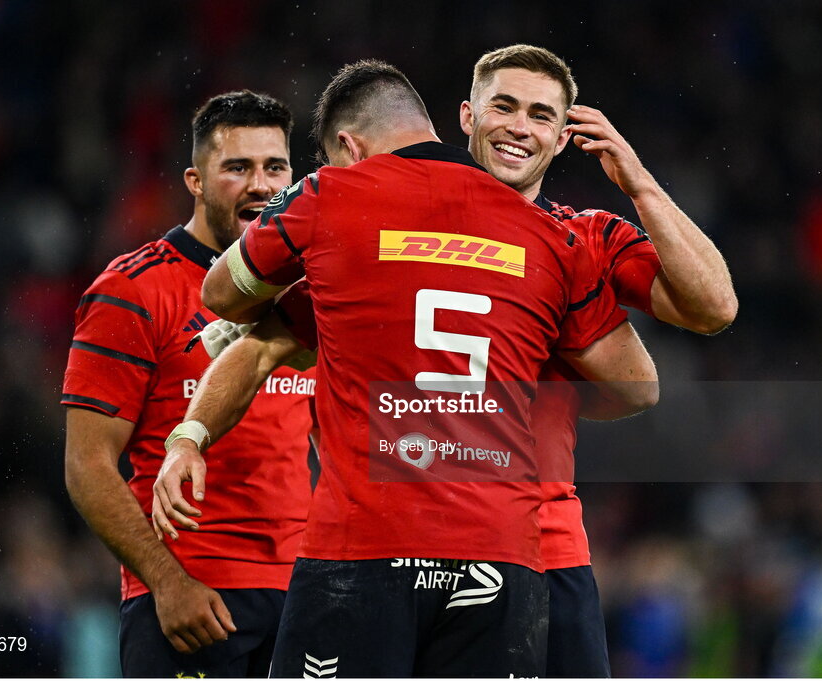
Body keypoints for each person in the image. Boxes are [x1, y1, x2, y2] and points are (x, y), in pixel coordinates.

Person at [177, 60, 657, 677]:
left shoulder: (332, 198)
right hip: (504, 555)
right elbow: (641, 382)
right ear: (453, 121)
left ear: (348, 148)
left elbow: (220, 296)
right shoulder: (551, 234)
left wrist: (191, 432)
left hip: (364, 547)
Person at [459, 44, 738, 677]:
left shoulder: (589, 236)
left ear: (562, 139)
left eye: (540, 115)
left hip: (546, 545)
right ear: (468, 117)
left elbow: (715, 307)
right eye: (503, 107)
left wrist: (636, 179)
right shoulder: (407, 229)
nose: (519, 128)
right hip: (420, 536)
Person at [62, 90, 315, 677]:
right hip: (190, 599)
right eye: (237, 168)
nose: (260, 185)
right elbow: (87, 465)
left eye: (275, 167)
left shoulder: (308, 293)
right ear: (195, 180)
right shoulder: (132, 289)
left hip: (304, 599)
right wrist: (166, 584)